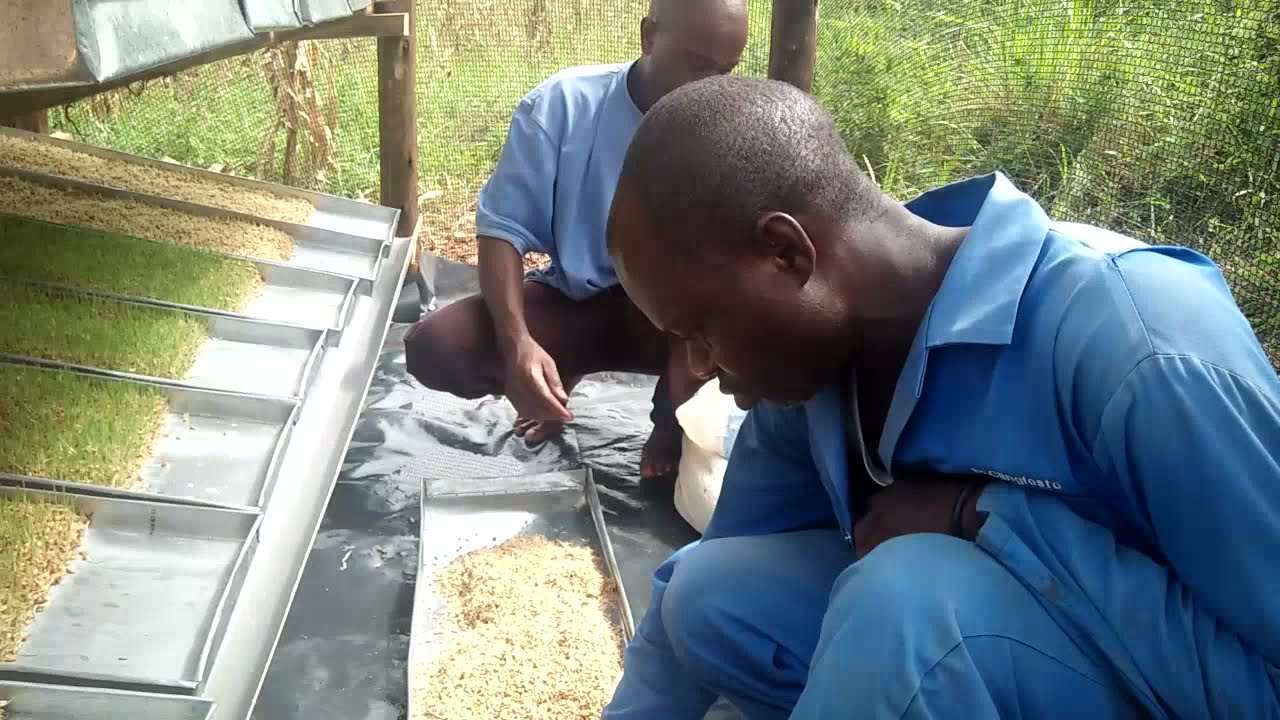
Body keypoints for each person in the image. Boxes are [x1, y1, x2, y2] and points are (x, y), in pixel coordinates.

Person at [601, 75, 1280, 719]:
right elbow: (715, 566)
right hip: (988, 654)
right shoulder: (813, 370)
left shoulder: (1139, 347)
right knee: (707, 593)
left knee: (908, 605)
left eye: (701, 329)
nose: (698, 366)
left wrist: (982, 518)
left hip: (1171, 689)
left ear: (787, 253)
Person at [403, 0, 749, 480]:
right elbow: (501, 228)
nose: (710, 90)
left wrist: (674, 412)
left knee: (733, 319)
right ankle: (554, 376)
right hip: (580, 300)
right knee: (438, 346)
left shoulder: (733, 132)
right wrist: (517, 343)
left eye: (725, 72)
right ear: (649, 37)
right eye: (696, 65)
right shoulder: (562, 106)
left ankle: (672, 422)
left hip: (673, 323)